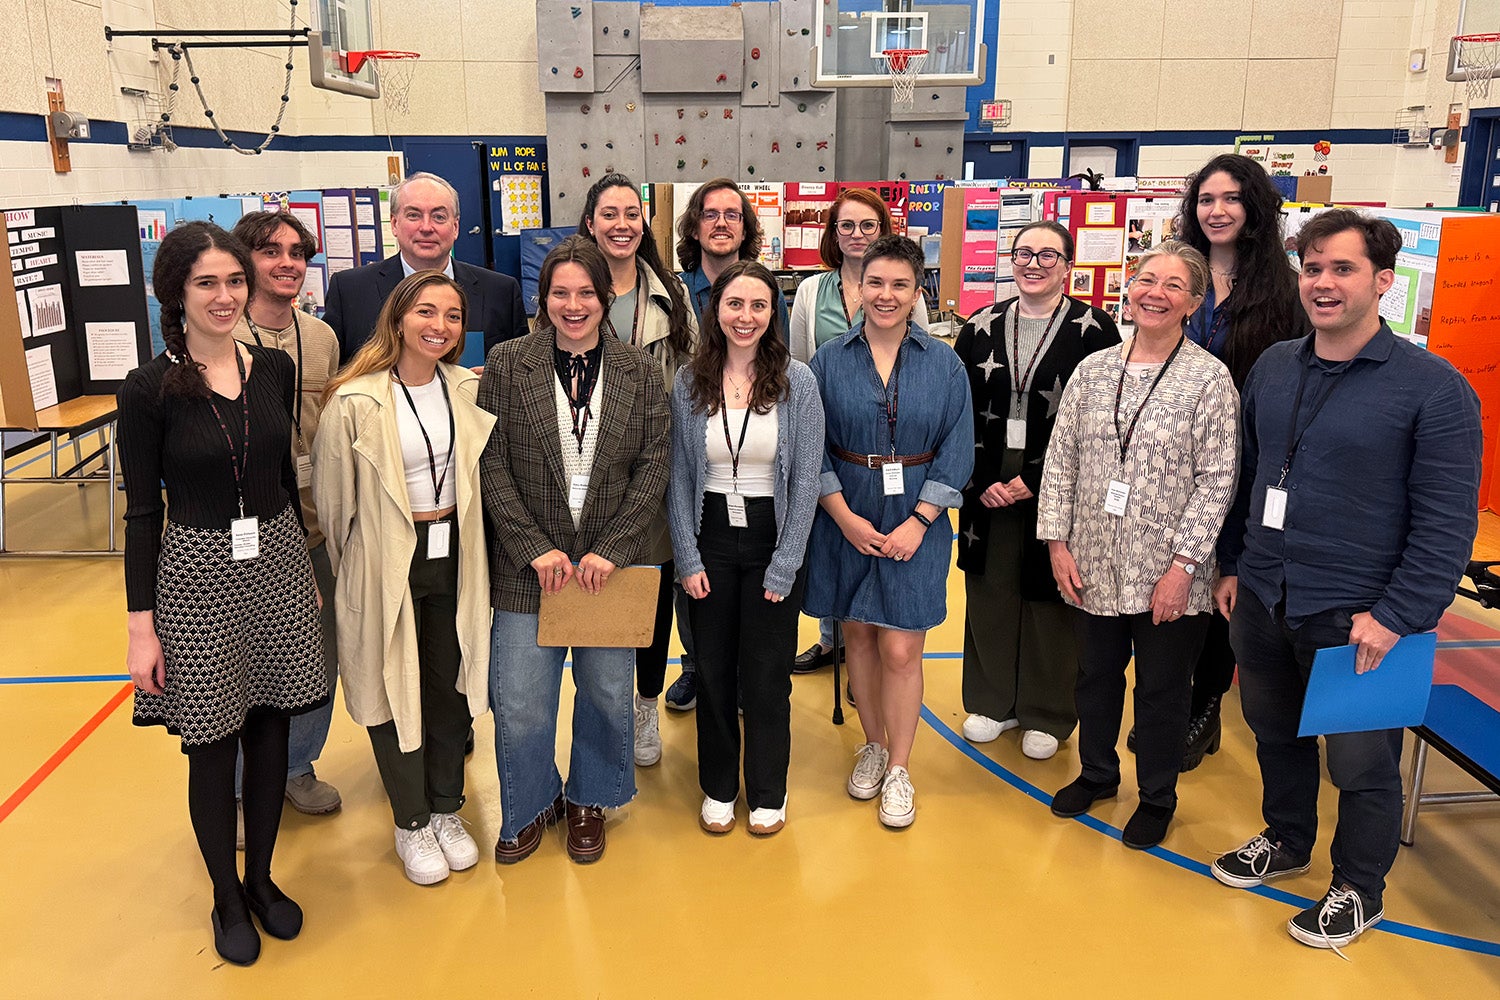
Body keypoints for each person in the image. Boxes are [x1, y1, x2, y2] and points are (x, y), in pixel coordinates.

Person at [1211, 210, 1482, 951]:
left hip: (1361, 616)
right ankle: (1287, 839)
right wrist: (1234, 564)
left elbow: (1445, 527)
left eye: (1342, 269)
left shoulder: (1436, 391)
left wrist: (1397, 615)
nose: (1323, 284)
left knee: (1362, 764)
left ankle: (1360, 887)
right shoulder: (1275, 366)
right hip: (1266, 596)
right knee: (1275, 735)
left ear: (1384, 283)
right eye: (1314, 268)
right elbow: (1250, 477)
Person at [119, 222, 326, 966]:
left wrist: (302, 574)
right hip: (197, 575)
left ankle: (263, 877)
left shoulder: (272, 370)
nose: (225, 295)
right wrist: (143, 629)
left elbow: (278, 479)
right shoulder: (148, 390)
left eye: (234, 281)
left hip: (274, 560)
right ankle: (225, 894)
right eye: (207, 282)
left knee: (271, 728)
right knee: (212, 745)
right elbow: (143, 513)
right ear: (175, 291)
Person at [1036, 241, 1238, 851]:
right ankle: (1097, 773)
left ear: (1193, 304)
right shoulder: (1094, 370)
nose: (1156, 293)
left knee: (1161, 689)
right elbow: (1061, 459)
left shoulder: (1210, 379)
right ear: (1128, 288)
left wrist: (1185, 566)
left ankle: (1157, 796)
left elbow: (1218, 479)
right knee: (1095, 675)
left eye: (1174, 286)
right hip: (1091, 561)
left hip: (1168, 574)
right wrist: (1056, 542)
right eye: (1147, 279)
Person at [479, 235, 670, 865]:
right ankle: (531, 802)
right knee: (523, 700)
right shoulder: (507, 365)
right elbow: (491, 464)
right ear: (544, 298)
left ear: (605, 295)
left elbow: (653, 466)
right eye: (560, 292)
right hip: (527, 571)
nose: (573, 304)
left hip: (605, 572)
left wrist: (613, 549)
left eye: (586, 292)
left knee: (609, 694)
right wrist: (532, 546)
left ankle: (591, 797)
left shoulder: (640, 372)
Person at [313, 271, 495, 886]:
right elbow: (334, 507)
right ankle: (411, 818)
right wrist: (356, 573)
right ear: (397, 319)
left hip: (456, 555)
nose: (438, 325)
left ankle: (447, 807)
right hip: (386, 559)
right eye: (425, 311)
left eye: (451, 315)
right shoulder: (354, 401)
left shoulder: (468, 389)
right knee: (393, 687)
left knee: (452, 682)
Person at [1144, 153, 1308, 772]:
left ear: (1254, 208)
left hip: (1248, 459)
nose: (1217, 210)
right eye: (1206, 198)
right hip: (1171, 456)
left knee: (1224, 579)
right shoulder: (1176, 276)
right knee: (1174, 573)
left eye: (1231, 198)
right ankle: (1169, 697)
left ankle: (1206, 704)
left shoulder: (1283, 290)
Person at [803, 234, 973, 829]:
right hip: (846, 511)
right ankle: (872, 744)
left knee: (901, 644)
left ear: (916, 291)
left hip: (917, 520)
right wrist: (843, 518)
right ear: (858, 288)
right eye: (875, 282)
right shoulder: (827, 361)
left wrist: (921, 521)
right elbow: (811, 445)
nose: (886, 294)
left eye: (900, 284)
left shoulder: (945, 364)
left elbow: (957, 448)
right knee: (859, 636)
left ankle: (900, 767)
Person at [667, 261, 824, 835]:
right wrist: (686, 555)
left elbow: (806, 478)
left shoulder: (797, 381)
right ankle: (716, 787)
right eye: (735, 304)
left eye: (759, 306)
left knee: (765, 675)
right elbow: (680, 478)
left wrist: (786, 562)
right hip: (709, 533)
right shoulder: (690, 382)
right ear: (717, 310)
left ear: (773, 314)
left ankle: (766, 789)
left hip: (770, 535)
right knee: (711, 669)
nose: (746, 316)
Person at [953, 221, 1120, 761]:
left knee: (1052, 592)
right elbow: (956, 414)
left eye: (1048, 255)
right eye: (1023, 253)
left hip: (1060, 475)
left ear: (1068, 266)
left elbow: (1102, 421)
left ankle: (1048, 709)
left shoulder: (1096, 330)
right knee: (990, 588)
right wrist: (980, 481)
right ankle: (991, 700)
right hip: (986, 475)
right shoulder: (979, 325)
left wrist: (1036, 478)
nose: (1033, 264)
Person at [576, 173, 696, 766]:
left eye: (632, 213)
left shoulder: (670, 294)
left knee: (650, 593)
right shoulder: (568, 287)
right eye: (609, 213)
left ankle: (645, 702)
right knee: (593, 591)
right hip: (583, 469)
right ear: (591, 221)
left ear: (644, 223)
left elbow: (697, 375)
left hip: (656, 467)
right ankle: (603, 708)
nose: (621, 224)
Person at [229, 211, 342, 822]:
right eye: (271, 251)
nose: (287, 263)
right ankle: (244, 787)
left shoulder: (320, 339)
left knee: (316, 654)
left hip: (313, 527)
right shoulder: (221, 336)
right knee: (250, 662)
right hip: (246, 536)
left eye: (298, 252)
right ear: (245, 260)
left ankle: (298, 765)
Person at [789, 188, 930, 675]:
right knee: (834, 543)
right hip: (832, 439)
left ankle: (868, 650)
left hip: (886, 443)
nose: (856, 235)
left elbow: (918, 365)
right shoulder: (810, 291)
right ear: (833, 234)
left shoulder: (901, 289)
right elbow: (800, 367)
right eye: (845, 226)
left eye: (868, 226)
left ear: (883, 231)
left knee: (881, 540)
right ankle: (835, 639)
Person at [666, 179, 791, 713]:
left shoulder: (771, 291)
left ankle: (742, 674)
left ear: (746, 225)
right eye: (710, 213)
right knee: (693, 574)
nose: (721, 223)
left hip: (756, 439)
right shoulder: (673, 291)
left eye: (733, 215)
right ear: (694, 224)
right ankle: (699, 666)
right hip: (695, 433)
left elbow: (780, 359)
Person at [324, 171, 528, 360]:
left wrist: (496, 378)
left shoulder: (501, 292)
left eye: (439, 217)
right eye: (414, 215)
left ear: (455, 227)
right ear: (394, 224)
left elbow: (521, 370)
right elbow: (334, 372)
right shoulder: (349, 290)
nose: (426, 227)